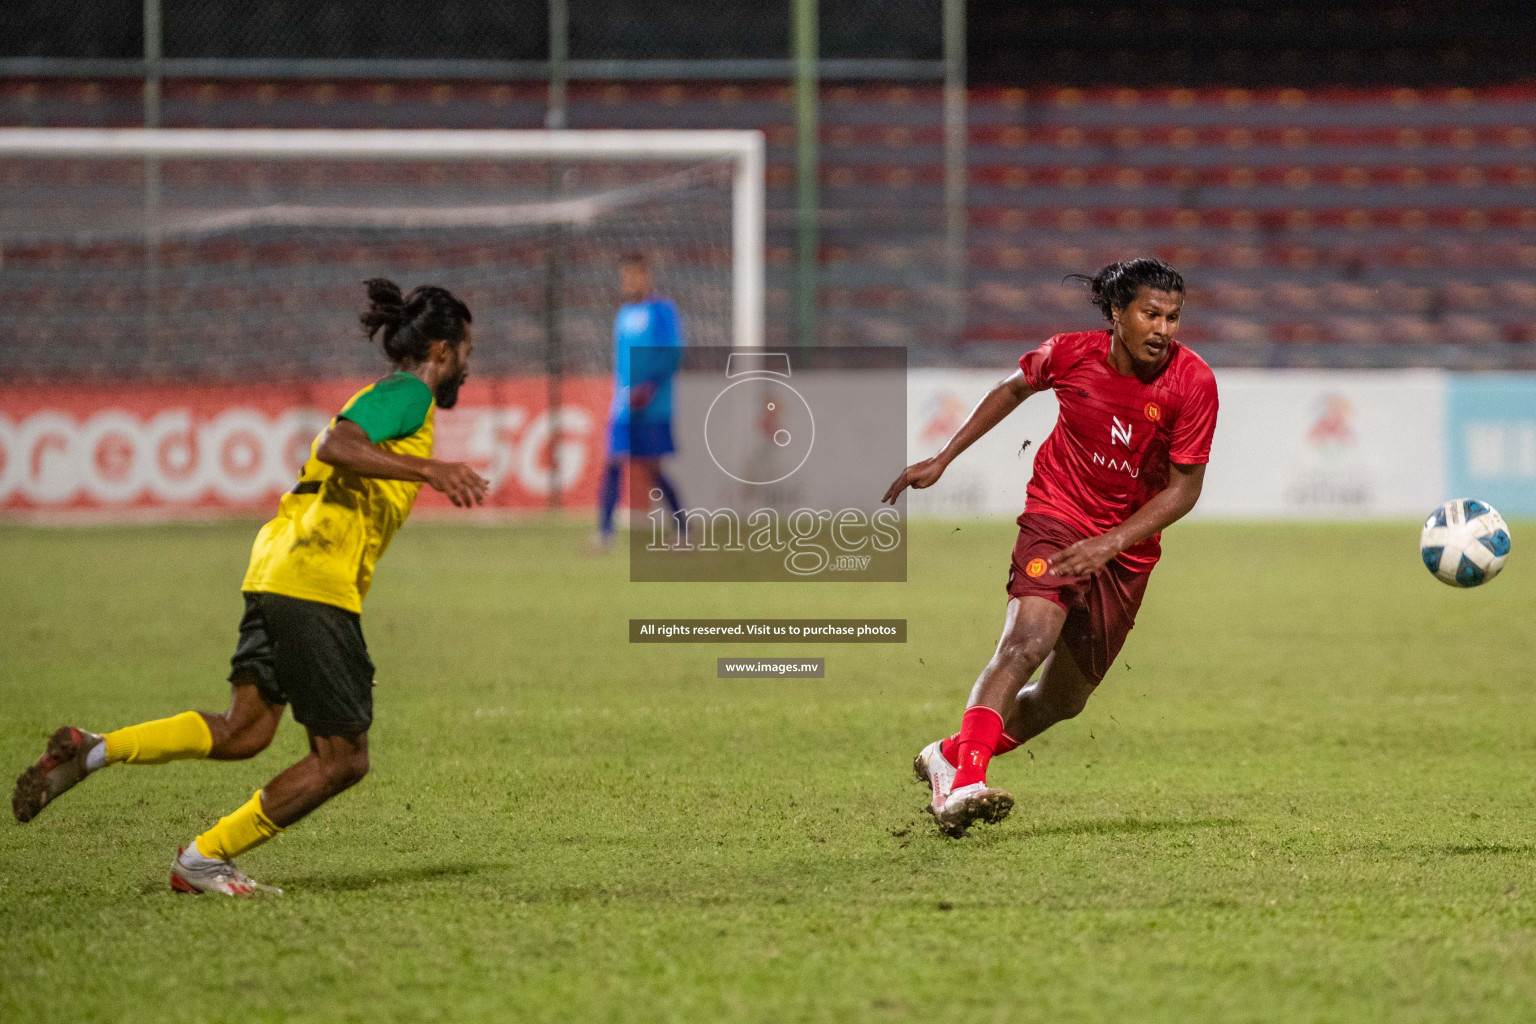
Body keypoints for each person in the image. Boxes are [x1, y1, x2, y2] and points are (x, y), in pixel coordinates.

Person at [11, 279, 490, 894]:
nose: (468, 369)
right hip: (314, 582)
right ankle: (204, 859)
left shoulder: (388, 396)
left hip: (276, 568)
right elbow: (336, 443)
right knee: (342, 760)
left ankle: (94, 750)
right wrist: (431, 468)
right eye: (468, 354)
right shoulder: (407, 395)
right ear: (444, 351)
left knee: (246, 731)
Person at [882, 258, 1218, 838]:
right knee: (1025, 643)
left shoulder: (1193, 382)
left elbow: (1185, 490)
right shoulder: (1069, 353)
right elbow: (1012, 387)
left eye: (1173, 317)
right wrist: (943, 457)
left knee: (1064, 700)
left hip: (1125, 552)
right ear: (1117, 314)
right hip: (1056, 518)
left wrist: (1110, 544)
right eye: (1150, 314)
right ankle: (965, 787)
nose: (1163, 330)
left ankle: (950, 757)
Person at [593, 252, 685, 549]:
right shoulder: (623, 313)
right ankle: (605, 533)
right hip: (623, 405)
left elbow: (672, 354)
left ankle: (683, 527)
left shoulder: (661, 311)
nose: (630, 281)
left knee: (653, 470)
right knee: (613, 462)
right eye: (626, 276)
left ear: (647, 276)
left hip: (654, 406)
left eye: (636, 275)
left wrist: (649, 388)